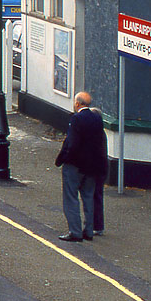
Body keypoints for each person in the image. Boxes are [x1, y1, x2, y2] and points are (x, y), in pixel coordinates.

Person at [53, 91, 108, 241]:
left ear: (77, 103)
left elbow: (72, 143)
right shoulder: (97, 118)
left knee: (71, 198)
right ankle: (89, 230)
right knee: (88, 197)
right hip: (92, 166)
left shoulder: (76, 119)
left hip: (75, 165)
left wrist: (64, 159)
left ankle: (75, 232)